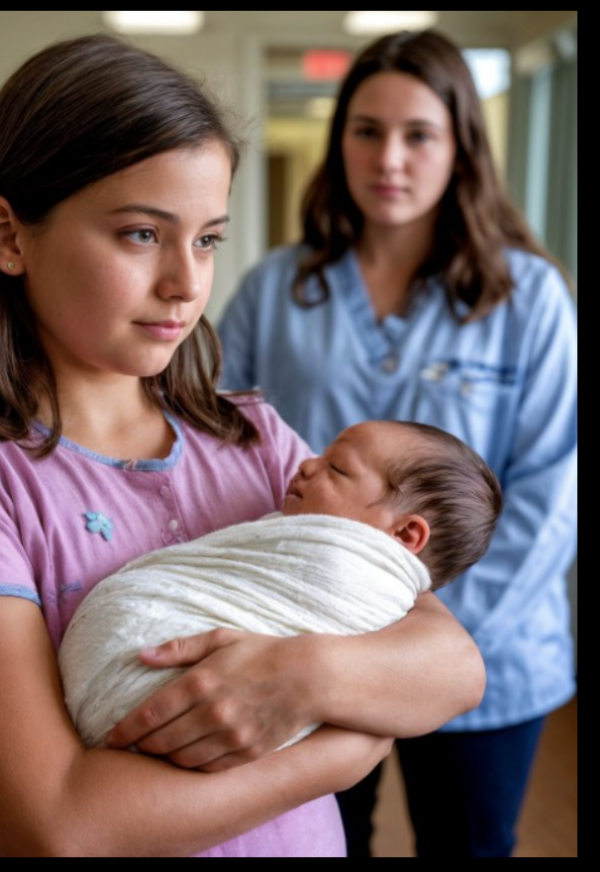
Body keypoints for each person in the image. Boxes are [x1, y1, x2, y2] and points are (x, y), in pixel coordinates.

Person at [0, 35, 485, 858]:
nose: (186, 282)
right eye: (142, 235)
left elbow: (452, 663)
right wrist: (345, 746)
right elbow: (60, 826)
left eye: (209, 239)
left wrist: (305, 681)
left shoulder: (256, 441)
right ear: (8, 236)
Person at [218, 28, 577, 858]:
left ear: (461, 149)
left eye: (420, 134)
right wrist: (332, 650)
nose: (390, 158)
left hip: (490, 655)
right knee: (319, 843)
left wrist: (424, 649)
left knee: (471, 844)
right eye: (367, 130)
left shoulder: (530, 298)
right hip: (306, 646)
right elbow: (223, 444)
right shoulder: (277, 289)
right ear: (339, 138)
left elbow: (549, 499)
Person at [61, 420, 502, 752]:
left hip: (154, 706)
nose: (306, 464)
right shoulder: (296, 497)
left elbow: (461, 672)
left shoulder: (363, 576)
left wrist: (309, 677)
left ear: (404, 536)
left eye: (337, 468)